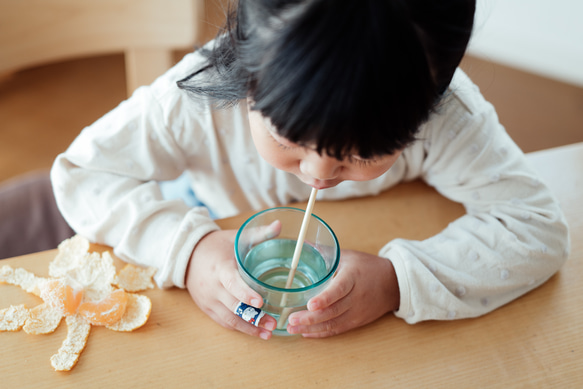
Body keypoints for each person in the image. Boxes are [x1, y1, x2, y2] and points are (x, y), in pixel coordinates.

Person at [51, 0, 569, 340]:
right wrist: (189, 251)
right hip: (201, 211)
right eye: (285, 138)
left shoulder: (448, 117)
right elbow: (82, 174)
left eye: (362, 155)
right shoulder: (198, 95)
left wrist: (397, 281)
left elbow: (537, 228)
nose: (318, 172)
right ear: (246, 70)